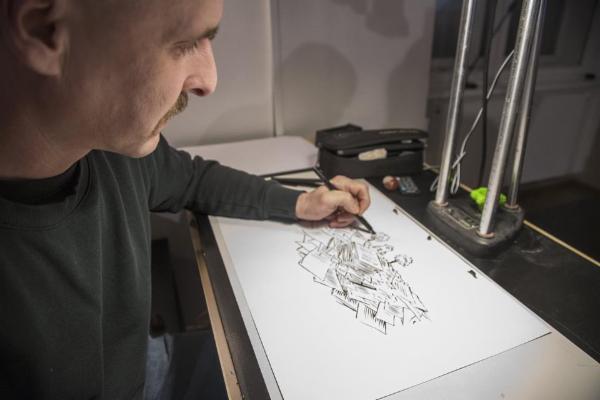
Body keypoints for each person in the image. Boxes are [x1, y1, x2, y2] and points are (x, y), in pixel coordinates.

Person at [0, 0, 371, 398]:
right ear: (44, 30)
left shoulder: (114, 149)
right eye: (185, 43)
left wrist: (300, 203)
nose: (208, 82)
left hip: (149, 363)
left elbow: (192, 178)